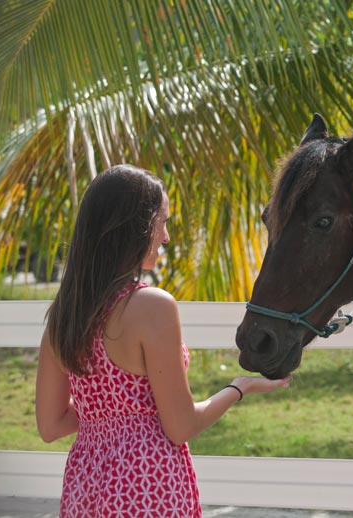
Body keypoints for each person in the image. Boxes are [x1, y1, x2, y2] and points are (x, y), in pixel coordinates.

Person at [35, 164, 290, 517]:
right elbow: (181, 426)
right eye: (163, 222)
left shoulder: (64, 315)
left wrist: (110, 411)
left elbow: (50, 426)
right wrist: (238, 388)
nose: (166, 237)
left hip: (85, 489)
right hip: (148, 489)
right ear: (135, 228)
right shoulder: (151, 306)